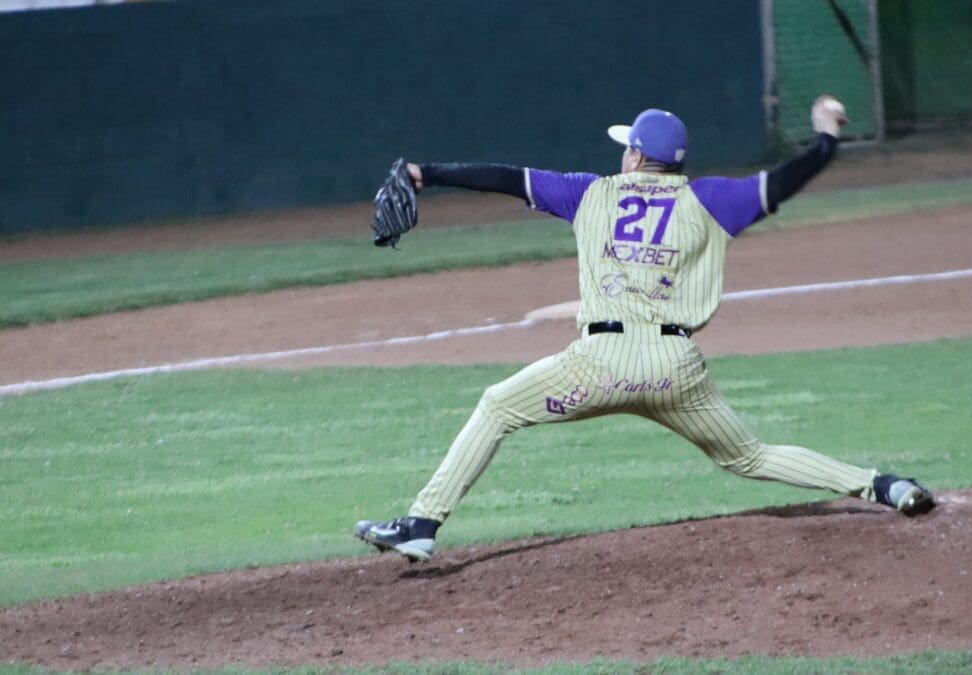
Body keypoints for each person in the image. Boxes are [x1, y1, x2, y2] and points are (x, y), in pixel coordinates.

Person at [354, 95, 935, 562]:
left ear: (634, 157)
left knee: (498, 407)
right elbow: (783, 181)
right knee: (750, 457)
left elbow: (505, 178)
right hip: (677, 373)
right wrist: (827, 140)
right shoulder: (710, 200)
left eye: (624, 149)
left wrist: (424, 172)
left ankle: (422, 524)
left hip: (597, 367)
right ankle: (882, 485)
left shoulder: (591, 192)